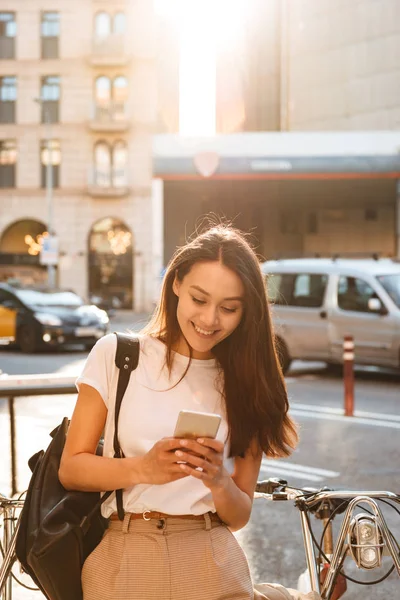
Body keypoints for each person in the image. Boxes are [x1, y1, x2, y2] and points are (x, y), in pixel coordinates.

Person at [59, 223, 298, 600]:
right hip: (125, 557)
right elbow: (71, 469)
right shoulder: (119, 356)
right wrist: (143, 469)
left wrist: (219, 480)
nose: (209, 320)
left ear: (246, 310)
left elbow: (238, 516)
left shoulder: (248, 382)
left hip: (212, 559)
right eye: (198, 299)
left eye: (229, 308)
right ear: (175, 285)